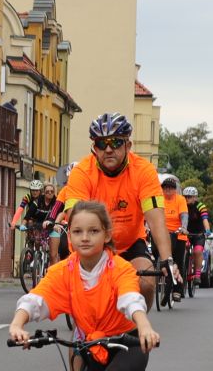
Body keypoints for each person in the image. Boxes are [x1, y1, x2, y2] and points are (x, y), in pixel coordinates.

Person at [7, 199, 159, 371]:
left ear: (107, 235)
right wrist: (18, 325)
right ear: (69, 237)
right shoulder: (63, 271)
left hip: (127, 341)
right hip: (92, 344)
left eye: (93, 231)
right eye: (77, 231)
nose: (85, 238)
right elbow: (37, 299)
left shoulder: (119, 268)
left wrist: (144, 326)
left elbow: (130, 299)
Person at [60, 112, 174, 308]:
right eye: (101, 144)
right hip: (93, 245)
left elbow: (156, 221)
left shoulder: (144, 171)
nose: (108, 149)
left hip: (130, 243)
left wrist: (167, 260)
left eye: (116, 142)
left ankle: (136, 323)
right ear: (94, 148)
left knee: (145, 282)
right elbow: (75, 218)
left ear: (128, 145)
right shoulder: (81, 172)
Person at [160, 176, 189, 300]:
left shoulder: (180, 199)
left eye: (171, 188)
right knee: (156, 254)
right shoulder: (159, 198)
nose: (168, 190)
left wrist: (183, 227)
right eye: (165, 187)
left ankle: (177, 290)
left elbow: (184, 216)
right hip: (162, 233)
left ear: (175, 189)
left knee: (178, 261)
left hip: (178, 234)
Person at [183, 186, 211, 280]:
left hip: (198, 234)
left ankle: (197, 274)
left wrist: (207, 230)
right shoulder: (182, 205)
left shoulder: (200, 206)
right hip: (185, 233)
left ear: (195, 197)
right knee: (183, 249)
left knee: (197, 251)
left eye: (189, 197)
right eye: (185, 197)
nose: (187, 199)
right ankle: (183, 268)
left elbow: (205, 219)